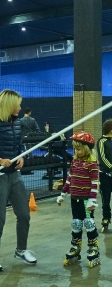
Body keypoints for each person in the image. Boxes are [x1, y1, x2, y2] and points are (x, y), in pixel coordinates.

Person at [0, 89, 37, 271]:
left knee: (24, 214)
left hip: (14, 175)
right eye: (18, 104)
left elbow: (19, 145)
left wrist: (21, 157)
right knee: (0, 219)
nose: (21, 107)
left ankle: (21, 249)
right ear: (9, 105)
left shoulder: (17, 124)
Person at [57, 131, 100, 268]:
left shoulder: (92, 164)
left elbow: (95, 182)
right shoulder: (75, 161)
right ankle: (75, 246)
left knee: (88, 222)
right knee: (76, 223)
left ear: (87, 148)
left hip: (86, 200)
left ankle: (93, 247)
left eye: (79, 148)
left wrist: (92, 199)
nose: (76, 151)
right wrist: (63, 193)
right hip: (74, 197)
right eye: (75, 148)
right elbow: (70, 179)